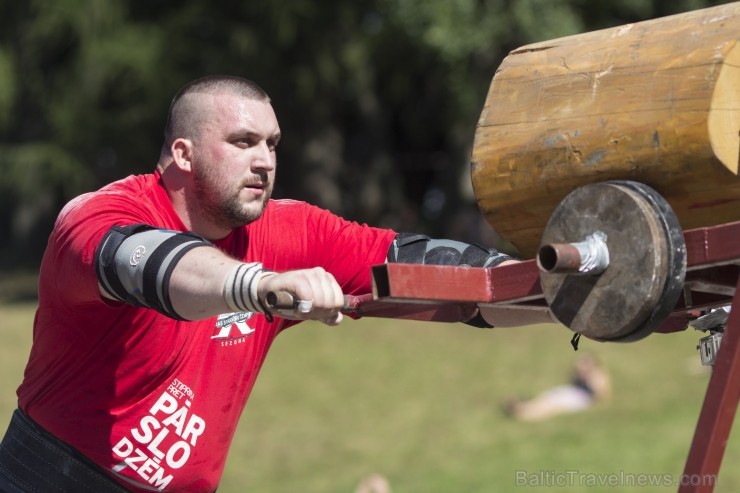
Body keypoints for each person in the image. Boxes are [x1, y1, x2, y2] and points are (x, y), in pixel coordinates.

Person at [0, 75, 549, 492]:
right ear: (182, 154)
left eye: (273, 143)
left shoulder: (288, 230)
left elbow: (425, 270)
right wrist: (260, 284)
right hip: (50, 475)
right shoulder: (98, 217)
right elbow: (156, 268)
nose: (265, 161)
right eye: (243, 142)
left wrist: (552, 291)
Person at [504, 354, 611, 421]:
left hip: (581, 398)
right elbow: (572, 384)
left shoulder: (598, 376)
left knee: (552, 405)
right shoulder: (579, 375)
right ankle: (521, 407)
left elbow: (601, 396)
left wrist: (588, 379)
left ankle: (525, 415)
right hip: (571, 392)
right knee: (546, 398)